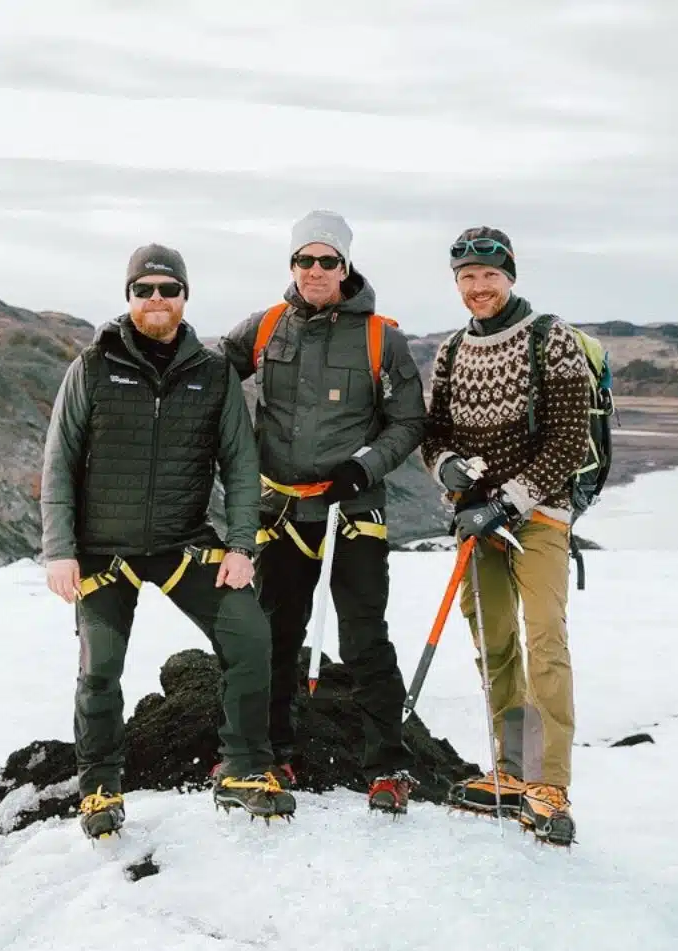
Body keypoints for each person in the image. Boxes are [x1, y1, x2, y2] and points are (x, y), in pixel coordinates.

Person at [40, 243, 289, 839]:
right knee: (99, 668)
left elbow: (239, 462)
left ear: (184, 297)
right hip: (103, 552)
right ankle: (100, 786)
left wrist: (240, 545)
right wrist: (59, 549)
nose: (156, 300)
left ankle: (243, 767)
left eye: (167, 289)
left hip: (183, 545)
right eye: (144, 290)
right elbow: (60, 460)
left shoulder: (212, 372)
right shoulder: (92, 366)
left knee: (250, 637)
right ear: (128, 298)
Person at [219, 211, 428, 814]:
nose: (314, 271)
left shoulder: (379, 337)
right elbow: (207, 379)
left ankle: (388, 766)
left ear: (345, 267)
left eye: (326, 261)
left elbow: (409, 420)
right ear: (291, 265)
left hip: (352, 509)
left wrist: (364, 466)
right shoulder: (264, 327)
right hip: (281, 509)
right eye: (304, 260)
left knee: (364, 635)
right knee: (277, 632)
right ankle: (272, 752)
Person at [420, 226, 589, 846]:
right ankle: (512, 772)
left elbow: (569, 439)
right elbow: (433, 433)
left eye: (489, 276)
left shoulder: (553, 340)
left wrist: (512, 500)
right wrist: (446, 470)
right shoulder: (450, 352)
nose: (478, 287)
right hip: (476, 520)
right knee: (494, 644)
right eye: (466, 277)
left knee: (543, 640)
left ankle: (550, 783)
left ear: (510, 276)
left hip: (539, 518)